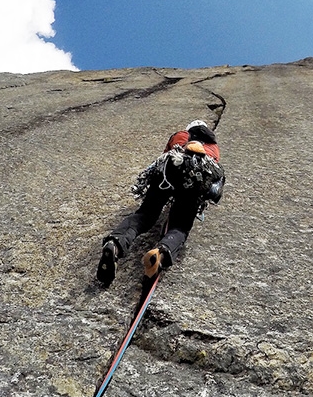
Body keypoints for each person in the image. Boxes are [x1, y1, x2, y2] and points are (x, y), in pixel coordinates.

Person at [96, 120, 224, 286]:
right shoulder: (213, 148)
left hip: (168, 173)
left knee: (145, 214)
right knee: (180, 226)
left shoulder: (179, 135)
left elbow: (163, 157)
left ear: (189, 130)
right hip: (194, 182)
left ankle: (116, 242)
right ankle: (161, 252)